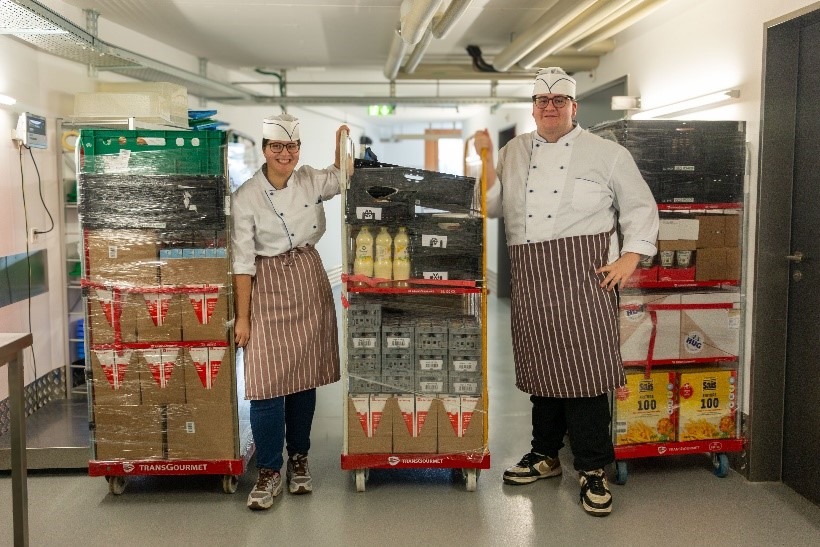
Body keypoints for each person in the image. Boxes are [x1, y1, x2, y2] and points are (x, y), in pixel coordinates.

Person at [473, 67, 658, 517]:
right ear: (533, 108)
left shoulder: (607, 153)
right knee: (542, 373)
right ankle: (545, 455)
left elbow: (640, 206)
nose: (550, 108)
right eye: (542, 101)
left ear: (573, 107)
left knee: (586, 376)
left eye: (559, 101)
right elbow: (490, 205)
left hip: (584, 279)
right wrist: (484, 159)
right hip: (531, 278)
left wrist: (630, 257)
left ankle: (593, 469)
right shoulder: (513, 151)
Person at [231, 113, 349, 511]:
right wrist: (243, 317)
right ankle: (269, 471)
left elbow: (342, 177)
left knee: (303, 378)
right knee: (264, 383)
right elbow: (242, 263)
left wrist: (341, 148)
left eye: (292, 146)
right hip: (266, 284)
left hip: (307, 277)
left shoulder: (310, 179)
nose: (285, 154)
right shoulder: (246, 196)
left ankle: (299, 458)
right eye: (277, 147)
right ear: (265, 149)